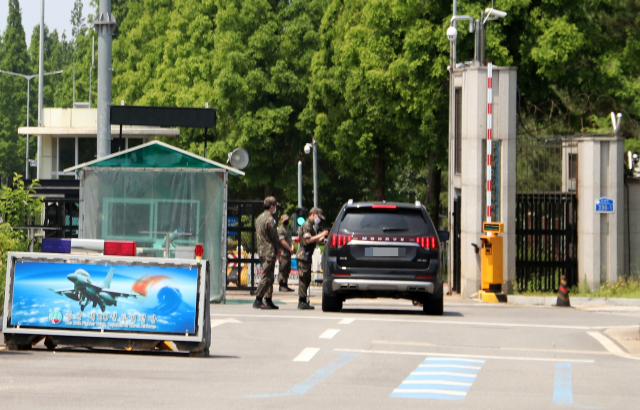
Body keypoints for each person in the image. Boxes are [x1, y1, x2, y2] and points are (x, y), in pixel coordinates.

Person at [254, 196, 286, 309]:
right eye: (275, 206)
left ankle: (268, 299)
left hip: (261, 250)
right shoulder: (270, 219)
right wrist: (278, 248)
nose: (275, 208)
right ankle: (258, 298)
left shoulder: (259, 218)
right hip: (269, 250)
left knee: (270, 276)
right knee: (267, 275)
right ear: (272, 206)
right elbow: (274, 236)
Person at [296, 207, 329, 309]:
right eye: (318, 217)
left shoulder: (311, 226)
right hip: (303, 254)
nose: (318, 219)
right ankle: (302, 301)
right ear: (314, 214)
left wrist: (321, 239)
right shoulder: (307, 225)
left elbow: (313, 240)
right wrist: (321, 234)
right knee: (303, 278)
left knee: (307, 278)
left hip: (307, 254)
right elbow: (307, 240)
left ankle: (304, 299)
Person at [277, 214, 295, 292]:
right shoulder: (280, 230)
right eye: (285, 220)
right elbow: (282, 241)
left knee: (287, 269)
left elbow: (290, 240)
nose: (286, 221)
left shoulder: (287, 230)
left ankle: (285, 284)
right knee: (282, 268)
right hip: (283, 252)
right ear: (281, 220)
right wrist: (289, 248)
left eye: (287, 220)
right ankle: (281, 285)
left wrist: (292, 247)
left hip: (288, 252)